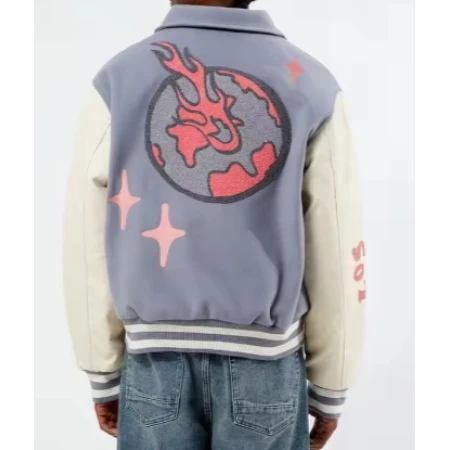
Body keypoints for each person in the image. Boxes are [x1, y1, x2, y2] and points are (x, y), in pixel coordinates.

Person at [63, 0, 366, 449]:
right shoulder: (311, 83)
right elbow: (337, 238)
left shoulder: (118, 79)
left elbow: (85, 237)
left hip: (154, 365)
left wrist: (100, 368)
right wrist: (332, 382)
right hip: (266, 366)